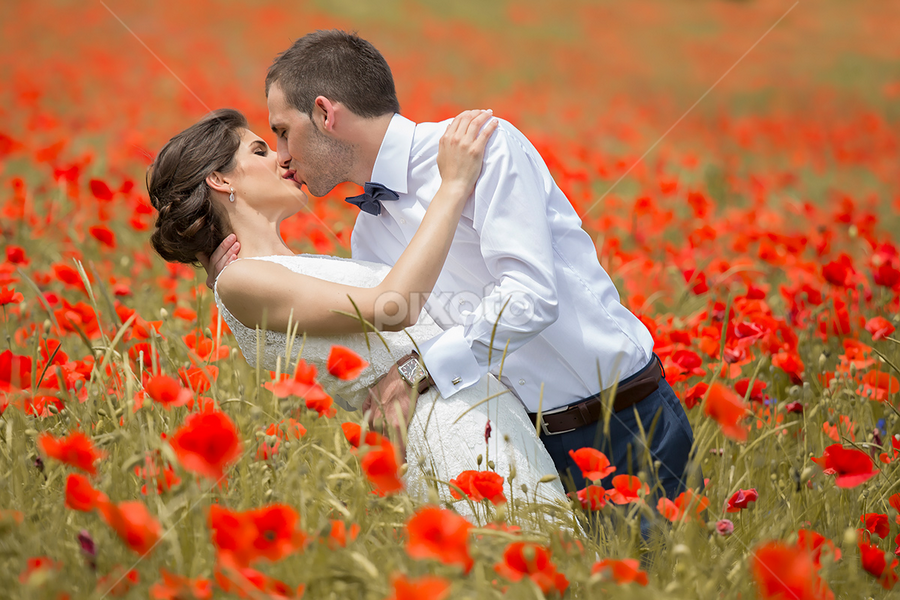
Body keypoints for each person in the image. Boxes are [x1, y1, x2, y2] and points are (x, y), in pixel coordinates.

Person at [204, 30, 696, 504]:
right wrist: (244, 270)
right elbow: (397, 332)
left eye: (283, 133)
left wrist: (422, 371)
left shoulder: (484, 145)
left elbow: (530, 297)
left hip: (626, 421)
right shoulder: (368, 234)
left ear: (325, 114)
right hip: (519, 449)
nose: (284, 158)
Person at [147, 107, 571, 522]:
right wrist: (454, 185)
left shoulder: (269, 272)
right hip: (442, 423)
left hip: (466, 407)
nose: (282, 156)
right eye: (260, 151)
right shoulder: (241, 281)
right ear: (220, 180)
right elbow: (392, 305)